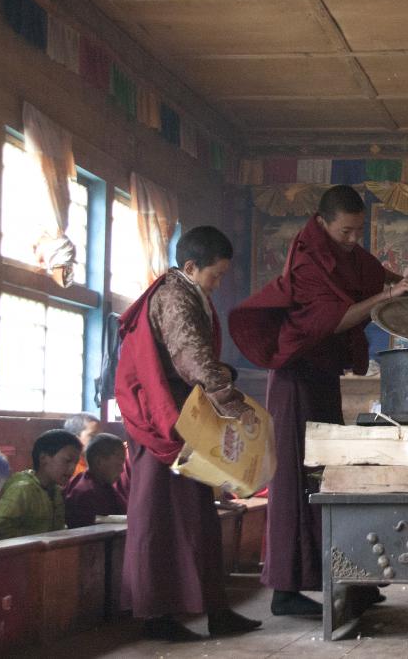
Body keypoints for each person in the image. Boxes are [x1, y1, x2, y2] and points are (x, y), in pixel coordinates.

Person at [230, 185, 408, 617]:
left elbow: (369, 269)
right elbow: (333, 320)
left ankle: (337, 576)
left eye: (359, 231)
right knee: (295, 483)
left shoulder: (342, 250)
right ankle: (284, 590)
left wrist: (395, 280)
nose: (353, 239)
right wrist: (386, 297)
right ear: (321, 222)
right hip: (295, 380)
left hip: (321, 378)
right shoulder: (307, 259)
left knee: (327, 478)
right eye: (346, 231)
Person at [115, 225, 262, 641]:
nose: (217, 285)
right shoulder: (174, 296)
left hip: (184, 417)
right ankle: (156, 616)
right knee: (158, 519)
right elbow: (190, 357)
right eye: (215, 276)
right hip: (160, 420)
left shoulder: (186, 291)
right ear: (191, 266)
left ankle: (213, 610)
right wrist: (231, 402)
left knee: (196, 519)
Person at [0, 429, 81, 540]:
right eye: (67, 461)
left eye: (76, 463)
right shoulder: (23, 489)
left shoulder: (55, 491)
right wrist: (37, 537)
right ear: (43, 459)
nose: (73, 468)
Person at [63, 433, 128, 528]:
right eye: (119, 464)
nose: (122, 470)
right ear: (99, 462)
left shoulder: (106, 486)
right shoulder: (84, 491)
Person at [64, 413, 102, 477]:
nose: (99, 440)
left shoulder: (100, 462)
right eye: (92, 435)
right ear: (75, 438)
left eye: (100, 436)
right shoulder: (67, 468)